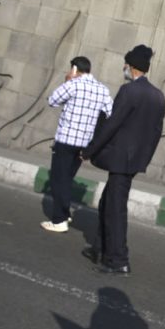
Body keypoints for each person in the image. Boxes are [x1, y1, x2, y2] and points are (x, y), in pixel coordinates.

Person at [80, 45, 165, 275]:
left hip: (120, 160)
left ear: (132, 66)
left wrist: (89, 150)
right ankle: (100, 248)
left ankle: (118, 260)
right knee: (107, 202)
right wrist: (143, 159)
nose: (124, 68)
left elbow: (112, 125)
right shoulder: (158, 96)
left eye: (125, 64)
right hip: (134, 161)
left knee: (115, 210)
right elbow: (156, 133)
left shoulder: (129, 91)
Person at [40, 57, 112, 233]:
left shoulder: (73, 85)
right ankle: (64, 213)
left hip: (66, 141)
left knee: (58, 180)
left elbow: (52, 100)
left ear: (74, 69)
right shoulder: (102, 90)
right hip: (84, 145)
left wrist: (67, 81)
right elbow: (110, 113)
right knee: (67, 178)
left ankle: (59, 220)